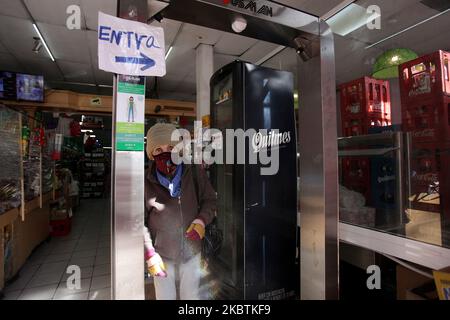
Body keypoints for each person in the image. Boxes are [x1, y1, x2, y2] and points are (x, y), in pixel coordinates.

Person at [143, 123, 217, 300]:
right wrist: (148, 253)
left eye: (171, 147)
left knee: (191, 298)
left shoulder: (194, 174)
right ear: (151, 154)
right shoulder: (145, 182)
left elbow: (210, 200)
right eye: (158, 149)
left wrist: (201, 220)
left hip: (192, 253)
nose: (166, 154)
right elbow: (138, 222)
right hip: (162, 256)